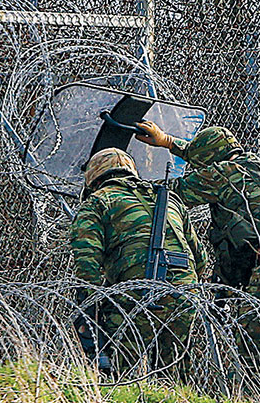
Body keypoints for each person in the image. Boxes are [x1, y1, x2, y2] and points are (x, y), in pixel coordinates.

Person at [135, 122, 260, 371]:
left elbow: (166, 195)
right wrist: (169, 142)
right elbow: (209, 158)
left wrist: (120, 179)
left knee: (252, 355)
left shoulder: (221, 174)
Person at [70, 147, 206, 374]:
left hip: (135, 293)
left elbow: (87, 265)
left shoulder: (97, 202)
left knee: (124, 373)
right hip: (184, 291)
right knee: (175, 374)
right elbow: (200, 258)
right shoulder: (169, 199)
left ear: (94, 177)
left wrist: (89, 311)